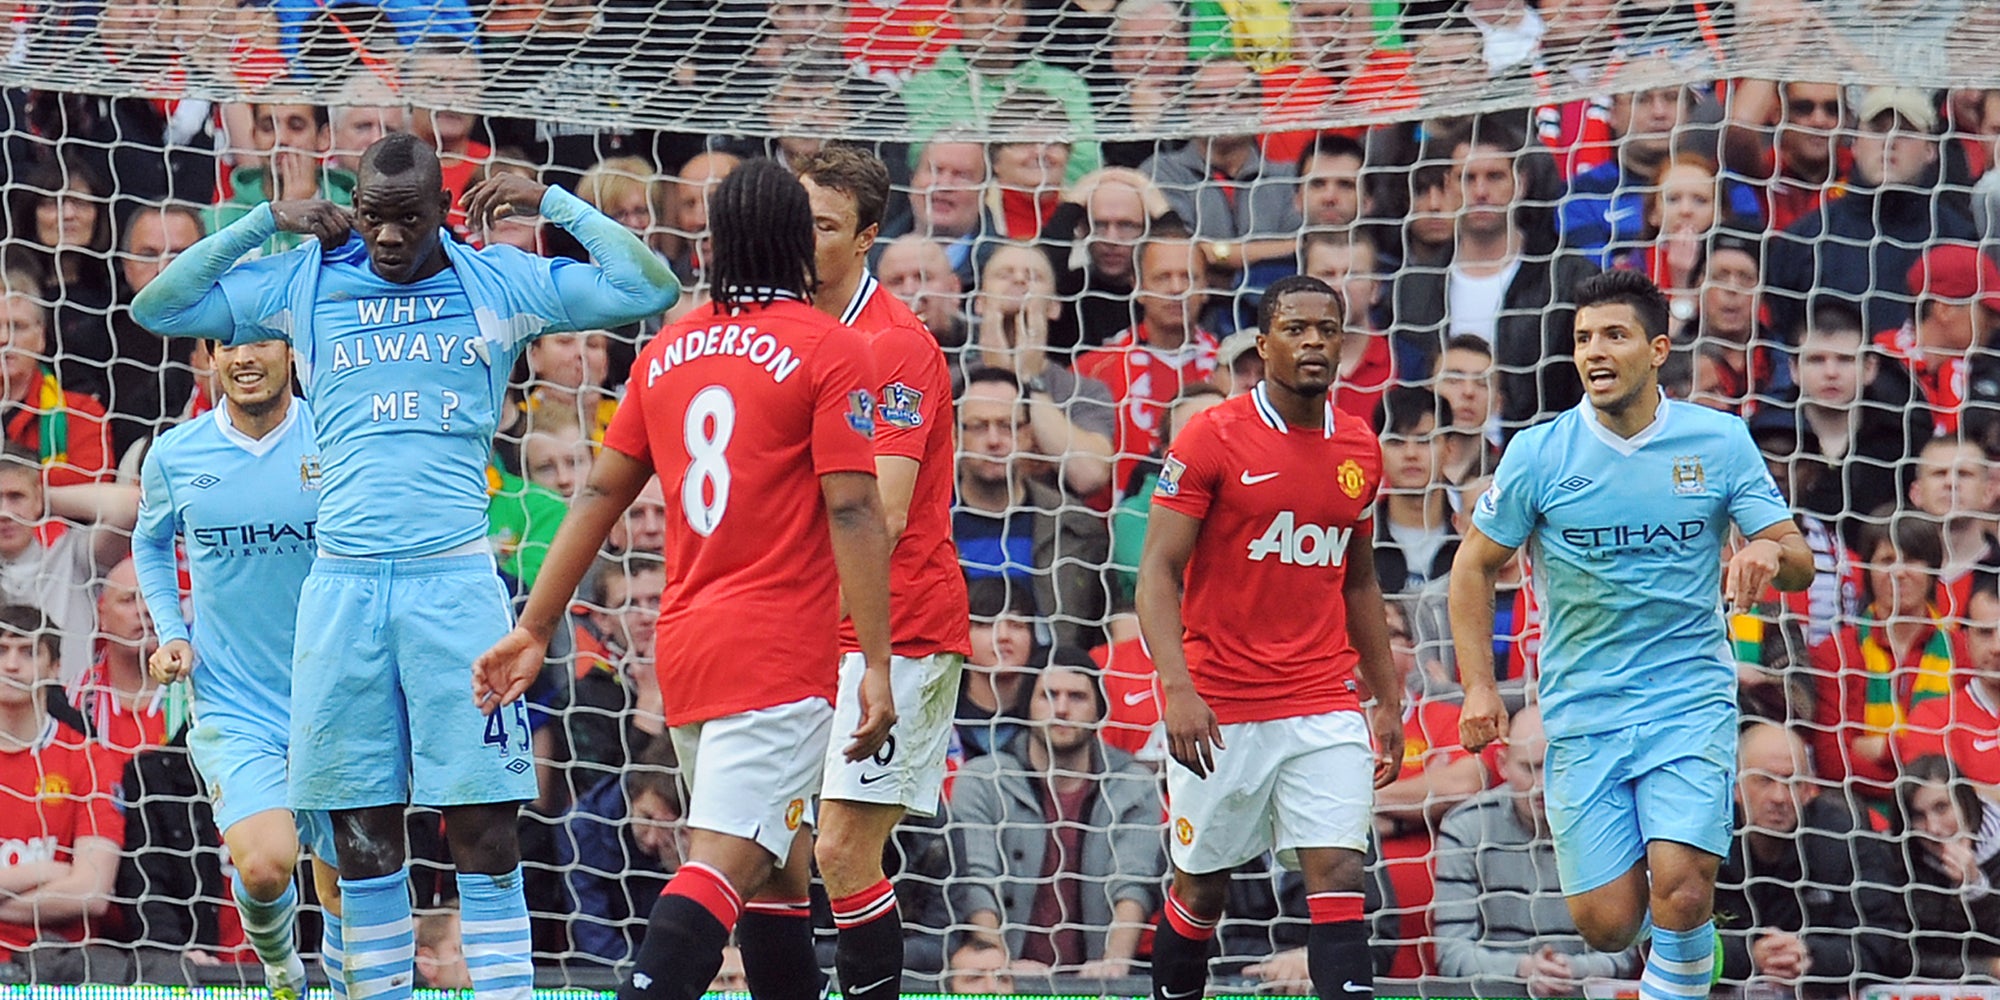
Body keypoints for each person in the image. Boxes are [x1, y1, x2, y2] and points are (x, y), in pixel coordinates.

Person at [130, 130, 681, 1000]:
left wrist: (554, 203)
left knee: (485, 831)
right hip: (342, 591)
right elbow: (158, 310)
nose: (388, 238)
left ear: (443, 211)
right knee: (360, 836)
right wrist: (263, 222)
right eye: (374, 220)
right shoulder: (306, 280)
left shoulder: (497, 280)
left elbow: (650, 286)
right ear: (355, 211)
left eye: (408, 219)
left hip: (456, 588)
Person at [469, 158, 895, 1000]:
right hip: (779, 652)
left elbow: (598, 490)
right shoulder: (832, 347)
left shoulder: (669, 347)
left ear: (717, 243)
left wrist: (533, 624)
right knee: (719, 873)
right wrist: (876, 662)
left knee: (778, 874)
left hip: (688, 644)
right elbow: (853, 511)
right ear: (793, 243)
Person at [1449, 269, 1813, 1000]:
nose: (1594, 351)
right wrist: (1480, 688)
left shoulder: (1717, 441)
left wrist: (1768, 550)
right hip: (1583, 710)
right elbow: (1472, 568)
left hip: (1689, 699)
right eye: (1583, 338)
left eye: (1613, 335)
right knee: (1608, 924)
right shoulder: (1540, 453)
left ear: (1656, 349)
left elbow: (1798, 558)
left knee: (1681, 889)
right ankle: (1680, 957)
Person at [1136, 274, 1405, 1000]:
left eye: (1327, 329)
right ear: (1264, 344)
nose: (1313, 341)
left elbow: (1358, 581)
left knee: (1340, 873)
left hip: (1322, 700)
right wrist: (1179, 688)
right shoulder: (1212, 437)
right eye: (1296, 329)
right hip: (1221, 707)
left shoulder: (1360, 447)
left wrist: (1386, 697)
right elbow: (1156, 573)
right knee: (1201, 890)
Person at [792, 146, 970, 1000]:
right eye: (797, 220)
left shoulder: (896, 347)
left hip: (899, 628)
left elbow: (887, 514)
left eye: (824, 226)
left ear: (867, 236)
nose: (803, 239)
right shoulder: (776, 330)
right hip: (794, 627)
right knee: (772, 850)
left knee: (838, 850)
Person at [130, 334, 341, 999]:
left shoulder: (336, 436)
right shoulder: (176, 453)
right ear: (208, 357)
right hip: (233, 700)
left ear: (292, 350)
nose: (243, 358)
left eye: (259, 343)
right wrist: (173, 633)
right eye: (227, 345)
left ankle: (346, 986)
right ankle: (281, 971)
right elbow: (151, 542)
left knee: (347, 887)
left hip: (340, 693)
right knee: (265, 865)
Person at [1431, 705, 1644, 996]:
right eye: (1529, 767)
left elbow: (1625, 953)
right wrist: (1522, 969)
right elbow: (1451, 954)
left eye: (1555, 768)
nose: (1542, 785)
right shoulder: (1466, 827)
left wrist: (1572, 970)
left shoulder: (1605, 823)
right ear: (1503, 765)